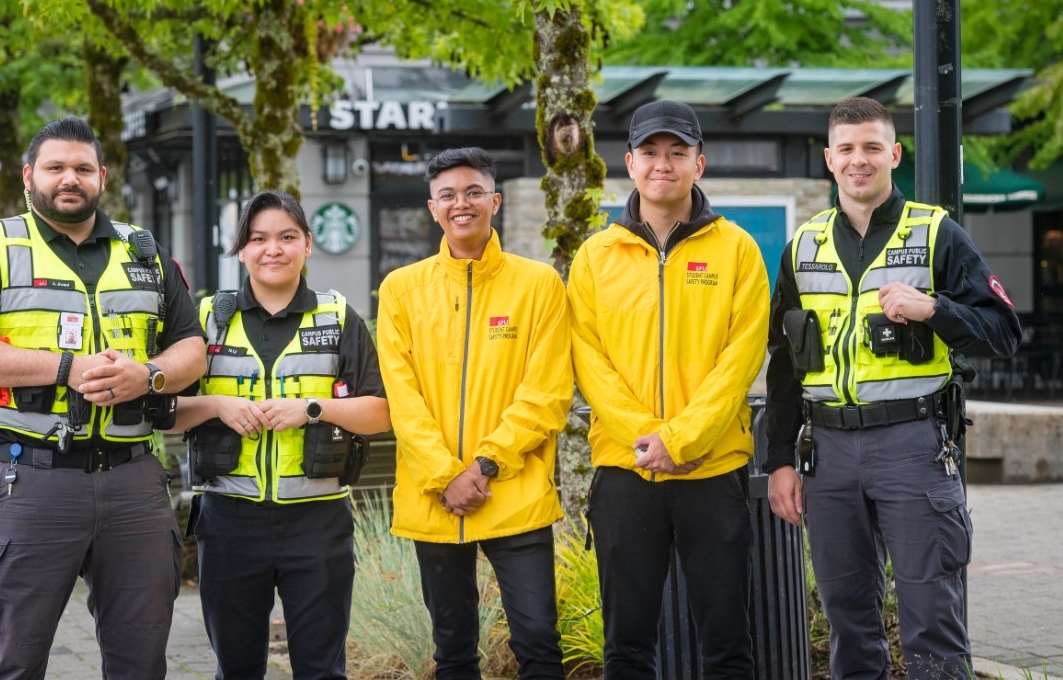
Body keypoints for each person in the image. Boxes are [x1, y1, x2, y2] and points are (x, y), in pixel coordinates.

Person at [0, 116, 207, 680]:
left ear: (102, 176)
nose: (70, 179)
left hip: (134, 483)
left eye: (83, 168)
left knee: (141, 663)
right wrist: (68, 367)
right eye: (56, 167)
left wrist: (149, 376)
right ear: (29, 175)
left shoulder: (145, 252)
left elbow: (192, 349)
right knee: (16, 661)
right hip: (32, 482)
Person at [765, 97, 1022, 680]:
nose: (860, 161)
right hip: (826, 457)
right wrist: (779, 460)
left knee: (931, 621)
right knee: (848, 623)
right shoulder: (801, 248)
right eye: (848, 150)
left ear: (894, 155)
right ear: (829, 159)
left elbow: (1005, 331)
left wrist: (934, 308)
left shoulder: (938, 234)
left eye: (872, 148)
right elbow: (783, 364)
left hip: (914, 447)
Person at [568, 99, 770, 679]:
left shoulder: (737, 251)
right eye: (651, 153)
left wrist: (681, 440)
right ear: (628, 163)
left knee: (728, 644)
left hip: (711, 471)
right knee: (627, 647)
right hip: (626, 473)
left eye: (677, 153)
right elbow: (590, 361)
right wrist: (648, 439)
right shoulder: (594, 257)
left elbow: (741, 360)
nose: (664, 164)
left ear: (699, 164)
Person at [173, 190, 391, 680]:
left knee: (321, 668)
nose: (273, 249)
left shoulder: (338, 320)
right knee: (237, 667)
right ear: (242, 250)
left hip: (316, 521)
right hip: (229, 521)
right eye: (259, 238)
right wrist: (217, 406)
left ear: (308, 245)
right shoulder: (206, 319)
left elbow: (380, 413)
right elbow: (163, 412)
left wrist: (312, 409)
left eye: (287, 237)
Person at [376, 147, 573, 680]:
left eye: (472, 192)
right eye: (447, 195)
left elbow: (549, 392)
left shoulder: (539, 285)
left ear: (495, 201)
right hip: (434, 498)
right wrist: (445, 476)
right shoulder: (401, 289)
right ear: (432, 209)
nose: (460, 204)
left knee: (538, 640)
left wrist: (483, 466)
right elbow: (403, 396)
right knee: (453, 651)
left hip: (516, 491)